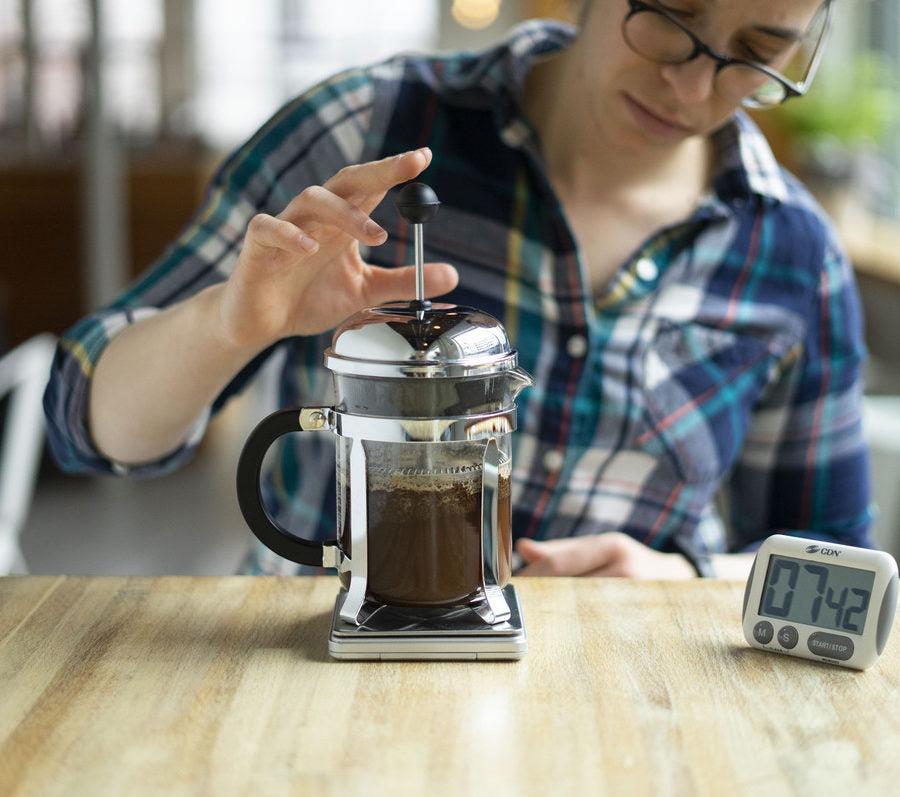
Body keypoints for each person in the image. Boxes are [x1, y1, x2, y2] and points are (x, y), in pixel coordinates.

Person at [44, 0, 874, 580]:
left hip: (611, 705)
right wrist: (227, 325)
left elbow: (830, 557)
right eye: (673, 16)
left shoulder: (794, 255)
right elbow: (85, 420)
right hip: (318, 674)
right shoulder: (367, 131)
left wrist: (683, 576)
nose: (692, 88)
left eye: (758, 51)